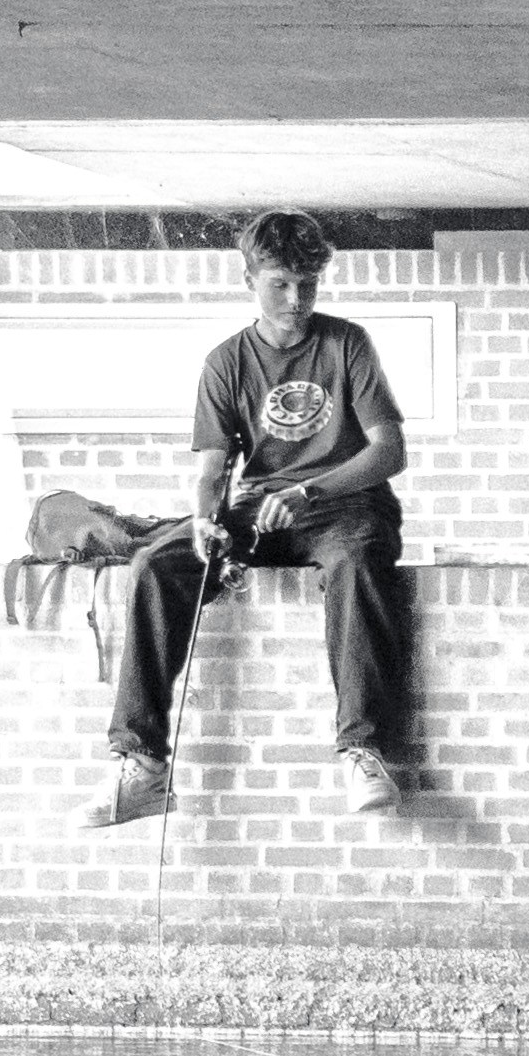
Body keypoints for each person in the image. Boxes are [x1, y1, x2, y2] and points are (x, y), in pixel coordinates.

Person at [88, 209, 409, 829]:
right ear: (251, 279)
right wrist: (207, 521)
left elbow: (389, 451)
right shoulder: (227, 361)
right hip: (254, 509)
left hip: (342, 506)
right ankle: (142, 764)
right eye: (281, 284)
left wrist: (310, 491)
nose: (296, 299)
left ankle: (361, 750)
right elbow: (213, 470)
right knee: (157, 562)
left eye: (308, 284)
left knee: (358, 561)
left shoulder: (347, 344)